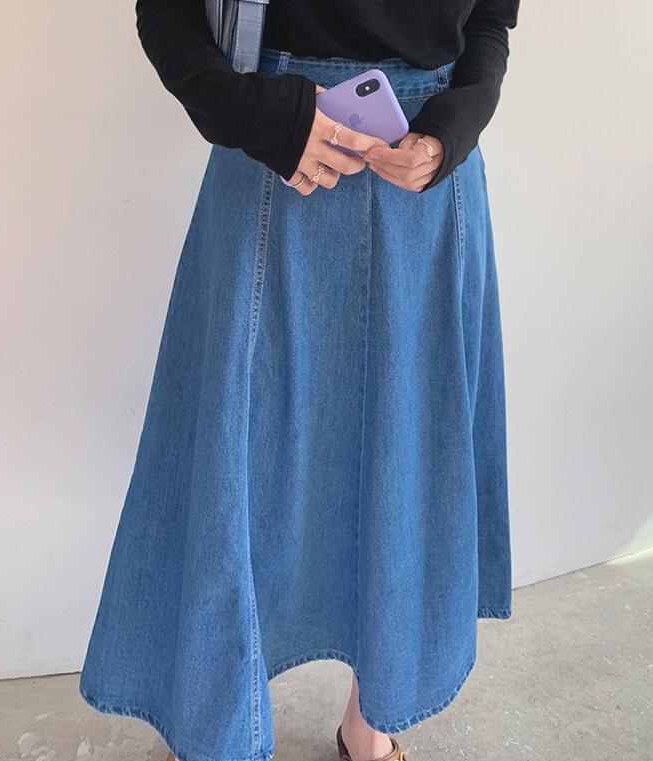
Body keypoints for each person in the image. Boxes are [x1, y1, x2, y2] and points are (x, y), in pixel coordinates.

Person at [78, 2, 520, 761]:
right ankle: (214, 732)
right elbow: (168, 12)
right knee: (234, 457)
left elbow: (489, 23)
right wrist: (259, 116)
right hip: (274, 154)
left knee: (408, 453)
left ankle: (371, 721)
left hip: (426, 176)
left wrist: (452, 129)